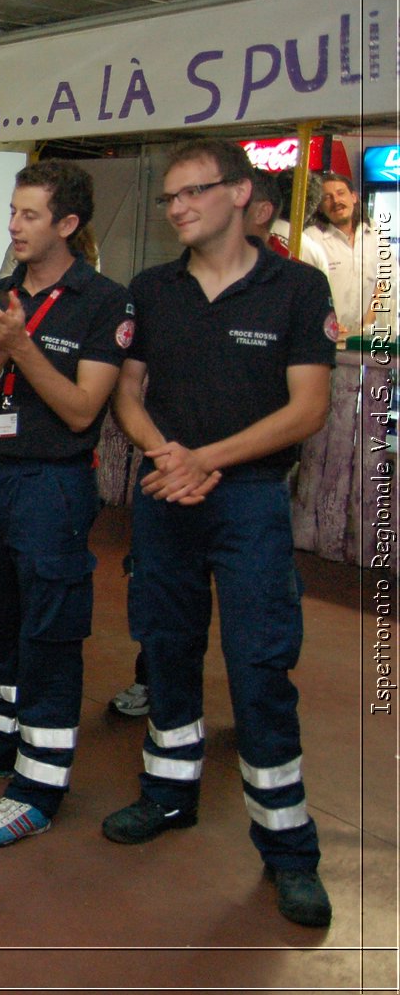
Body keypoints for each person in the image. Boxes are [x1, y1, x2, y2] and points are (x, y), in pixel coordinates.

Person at [102, 139, 335, 928]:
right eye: (169, 198)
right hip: (167, 494)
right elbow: (129, 392)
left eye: (192, 193)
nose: (177, 209)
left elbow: (307, 409)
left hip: (249, 503)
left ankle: (289, 850)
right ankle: (169, 796)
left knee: (260, 665)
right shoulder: (152, 289)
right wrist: (161, 452)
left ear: (241, 194)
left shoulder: (297, 288)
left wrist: (209, 459)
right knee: (166, 647)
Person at [0, 161, 130, 846]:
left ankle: (39, 786)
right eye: (12, 211)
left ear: (67, 225)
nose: (13, 226)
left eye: (30, 215)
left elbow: (80, 409)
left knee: (49, 631)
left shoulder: (102, 301)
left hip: (52, 484)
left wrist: (19, 347)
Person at [307, 171, 390, 336]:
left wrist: (368, 323)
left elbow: (383, 282)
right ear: (321, 207)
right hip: (325, 338)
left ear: (354, 197)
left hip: (363, 339)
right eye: (327, 197)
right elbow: (305, 292)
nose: (336, 201)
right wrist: (328, 324)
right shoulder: (311, 239)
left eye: (340, 193)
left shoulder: (375, 235)